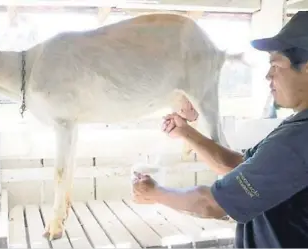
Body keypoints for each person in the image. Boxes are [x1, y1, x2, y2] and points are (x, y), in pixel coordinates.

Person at [132, 11, 308, 248]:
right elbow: (238, 165)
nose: (268, 75)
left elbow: (212, 204)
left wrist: (155, 193)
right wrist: (187, 132)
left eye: (276, 66)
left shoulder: (298, 140)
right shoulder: (297, 128)